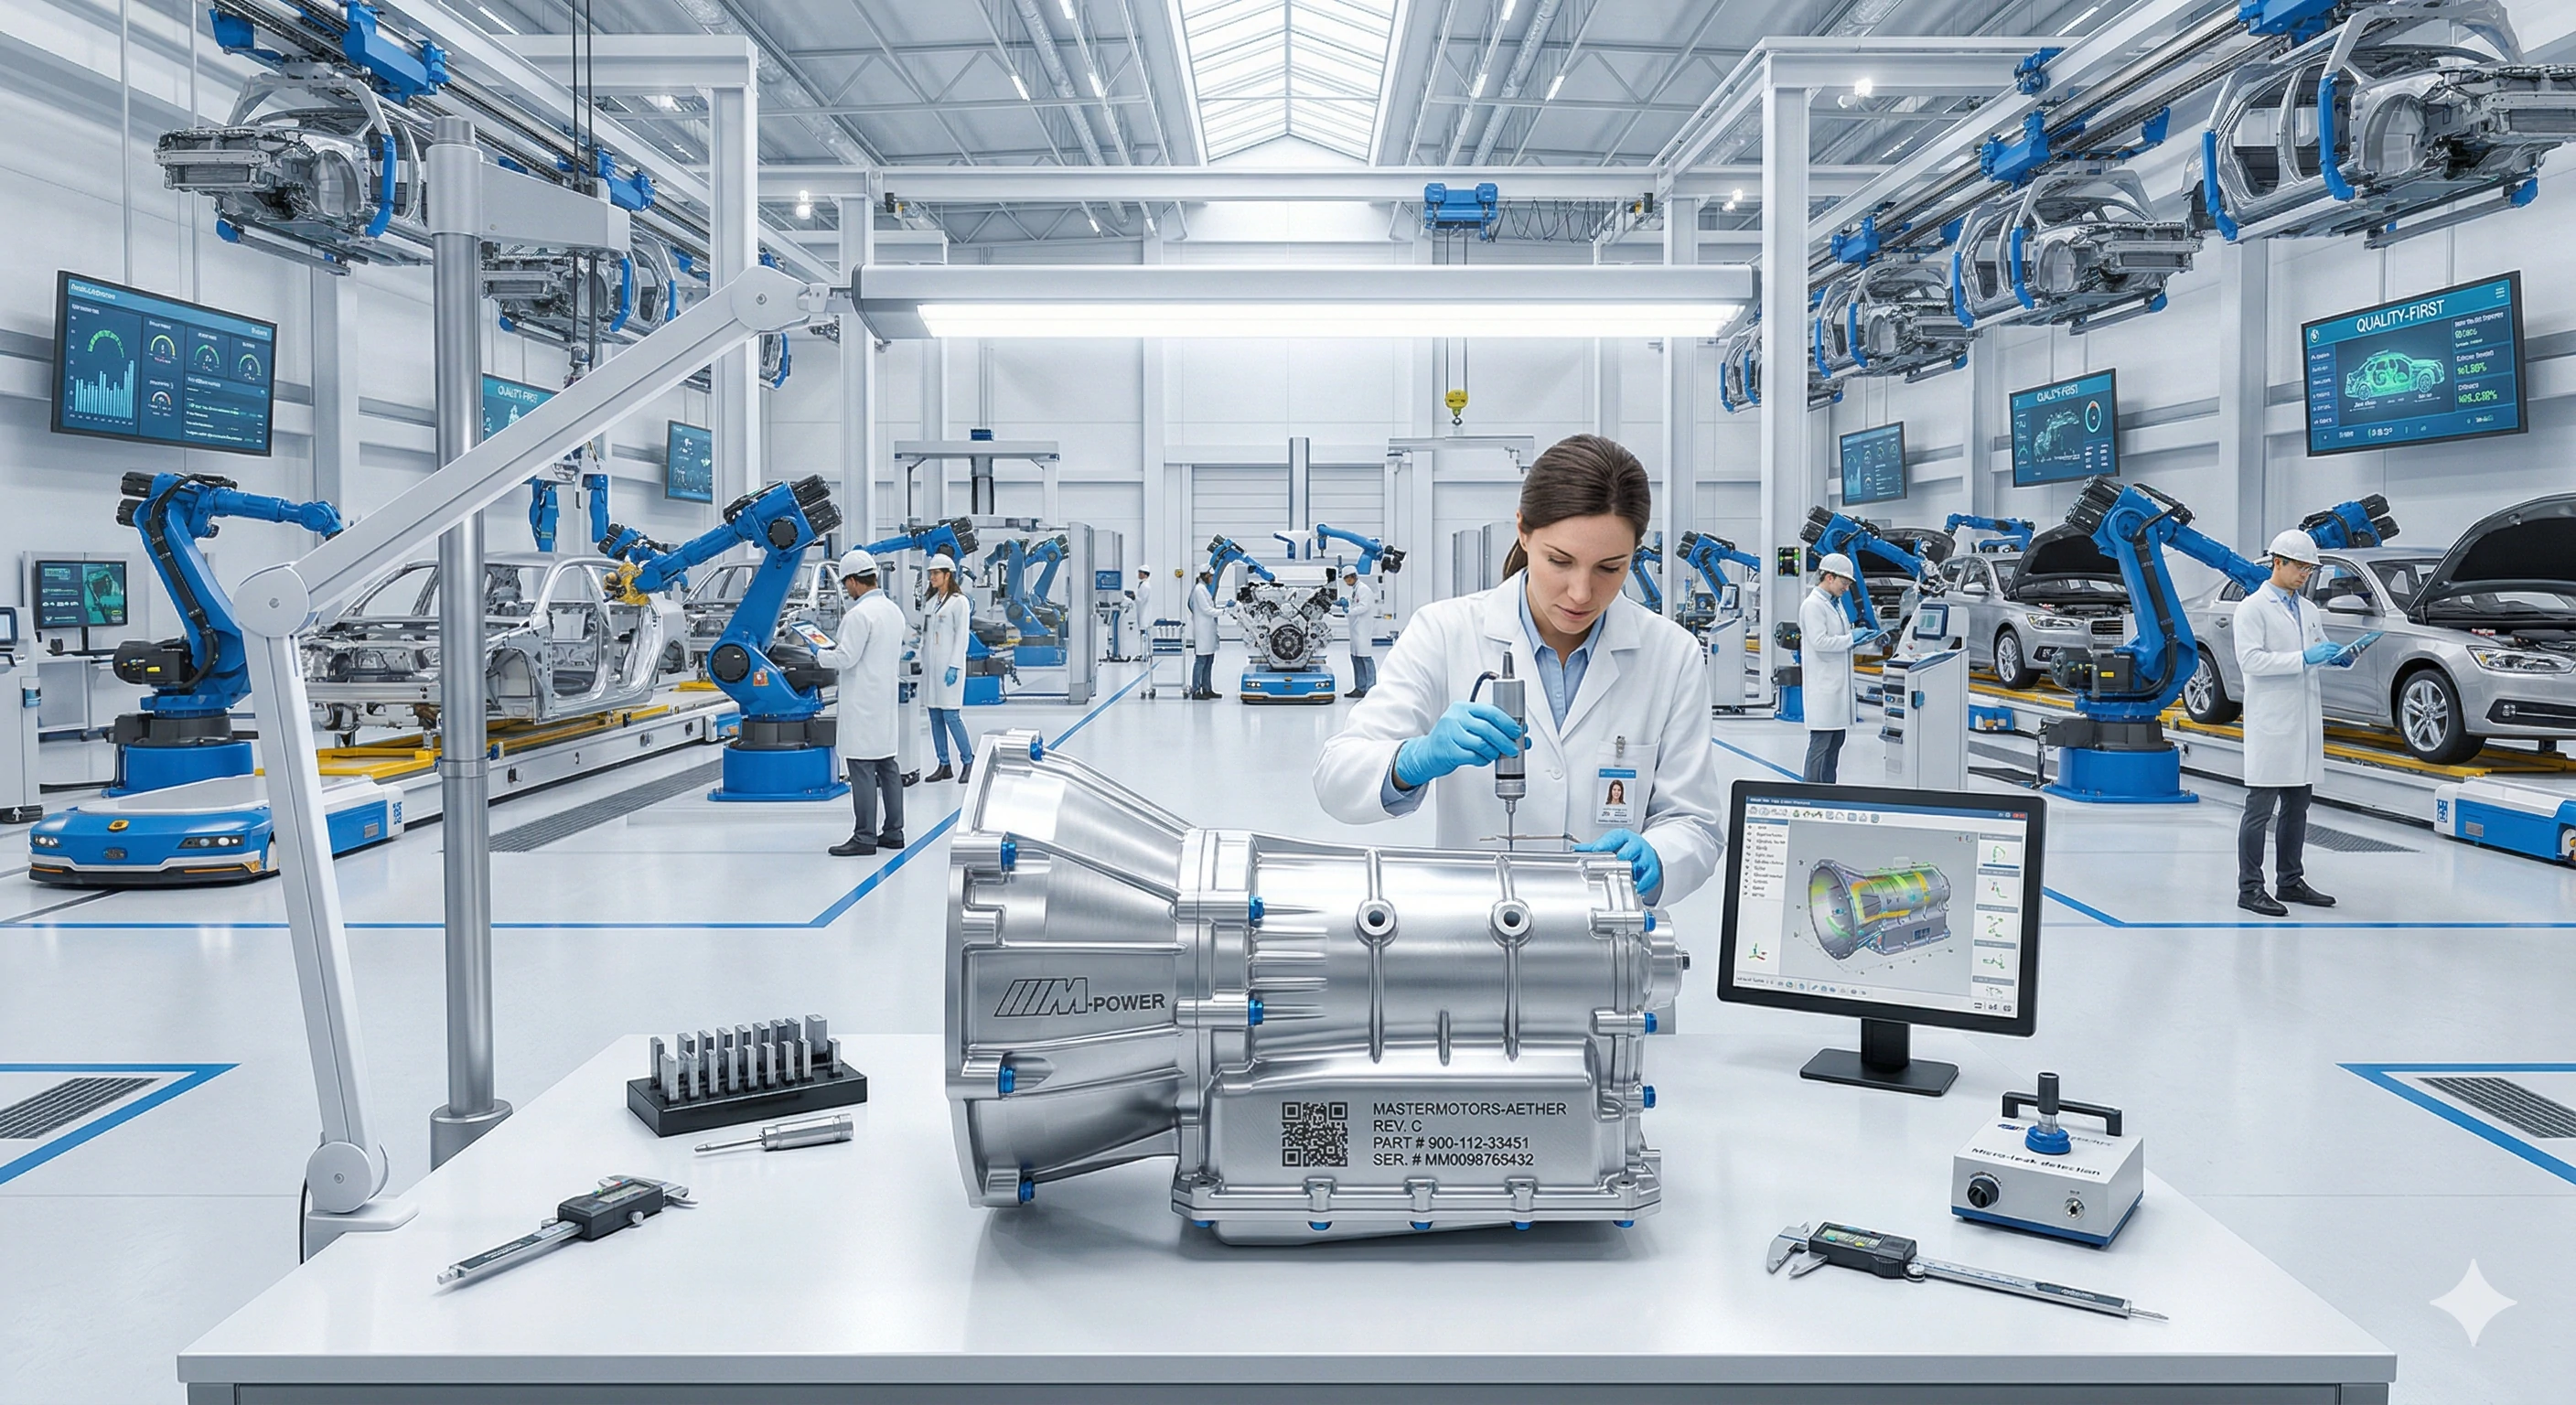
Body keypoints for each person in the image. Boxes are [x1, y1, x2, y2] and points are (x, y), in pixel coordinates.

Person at [1313, 434, 1727, 905]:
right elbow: (1336, 778)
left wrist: (1658, 855)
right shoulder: (1443, 632)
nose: (1581, 593)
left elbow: (1695, 823)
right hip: (1475, 924)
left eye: (1610, 568)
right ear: (1524, 531)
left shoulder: (1671, 654)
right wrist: (1413, 759)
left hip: (1605, 930)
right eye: (1560, 561)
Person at [2233, 529, 2342, 917]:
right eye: (2300, 567)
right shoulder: (2252, 609)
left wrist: (2338, 656)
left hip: (2303, 722)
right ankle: (2250, 888)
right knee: (2260, 809)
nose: (2305, 575)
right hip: (2272, 722)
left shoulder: (2308, 610)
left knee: (2298, 807)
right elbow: (2251, 660)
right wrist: (2303, 659)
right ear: (2278, 562)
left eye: (2310, 569)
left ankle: (2291, 881)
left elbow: (2318, 648)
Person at [811, 548, 905, 857]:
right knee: (888, 766)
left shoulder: (859, 615)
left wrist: (817, 653)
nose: (846, 590)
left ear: (853, 581)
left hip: (863, 702)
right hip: (884, 700)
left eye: (845, 584)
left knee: (862, 767)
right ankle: (894, 832)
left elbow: (845, 657)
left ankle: (864, 837)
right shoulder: (892, 611)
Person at [1798, 552, 1881, 783]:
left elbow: (1839, 637)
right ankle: (1810, 791)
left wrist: (1858, 638)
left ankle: (1827, 790)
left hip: (1837, 688)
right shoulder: (1813, 605)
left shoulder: (1836, 604)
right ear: (1829, 577)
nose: (1846, 588)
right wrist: (1851, 638)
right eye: (1844, 583)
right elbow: (1820, 642)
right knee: (1821, 744)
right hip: (1823, 687)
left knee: (1836, 742)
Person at [920, 553, 974, 785]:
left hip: (948, 669)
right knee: (935, 716)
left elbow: (962, 638)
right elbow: (925, 634)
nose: (932, 577)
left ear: (948, 575)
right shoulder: (931, 603)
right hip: (931, 669)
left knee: (951, 716)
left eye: (936, 573)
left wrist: (954, 666)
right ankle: (944, 765)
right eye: (930, 573)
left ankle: (968, 760)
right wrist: (917, 653)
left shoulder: (959, 602)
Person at [1187, 568, 1226, 700]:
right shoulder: (1199, 590)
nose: (1212, 579)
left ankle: (1207, 689)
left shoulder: (1204, 589)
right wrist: (1225, 611)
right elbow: (1207, 610)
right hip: (1202, 630)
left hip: (1208, 630)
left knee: (1209, 660)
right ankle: (1196, 690)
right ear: (1205, 575)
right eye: (1211, 577)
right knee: (1201, 661)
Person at [1342, 567, 1379, 699]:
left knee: (1365, 658)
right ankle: (1360, 687)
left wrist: (1349, 610)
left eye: (1347, 579)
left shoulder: (1364, 589)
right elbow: (1355, 603)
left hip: (1363, 629)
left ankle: (1371, 688)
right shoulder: (1356, 589)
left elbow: (1364, 606)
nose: (1346, 582)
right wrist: (1346, 603)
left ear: (1353, 577)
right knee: (1356, 658)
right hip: (1356, 629)